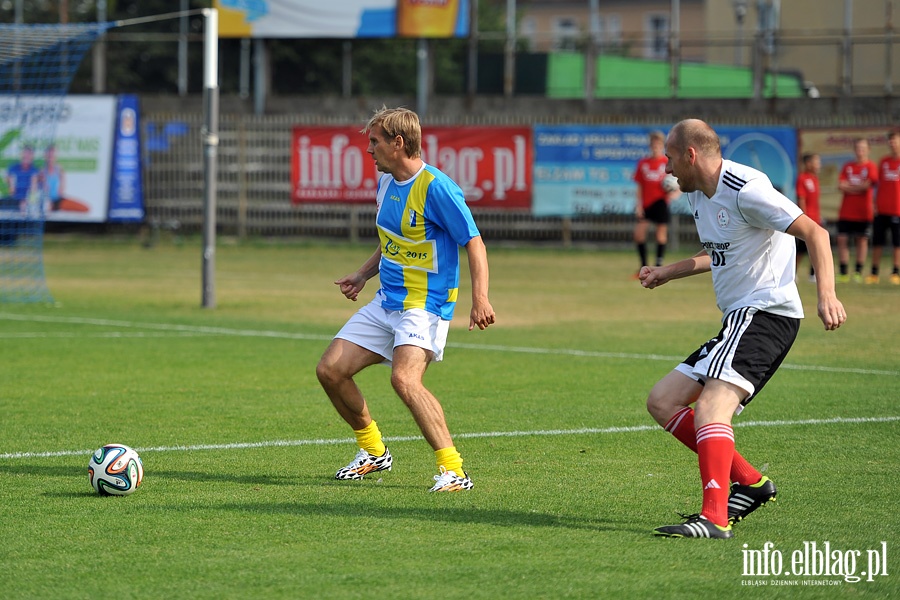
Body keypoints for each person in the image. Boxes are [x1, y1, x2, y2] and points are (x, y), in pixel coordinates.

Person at [639, 119, 845, 539]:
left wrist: (827, 295)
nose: (667, 168)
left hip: (766, 314)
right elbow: (717, 251)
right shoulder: (699, 194)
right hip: (740, 317)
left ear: (691, 155)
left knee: (710, 408)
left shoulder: (745, 188)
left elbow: (815, 232)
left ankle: (714, 517)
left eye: (671, 158)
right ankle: (750, 483)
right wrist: (667, 272)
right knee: (662, 401)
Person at [315, 106, 496, 493]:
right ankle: (373, 452)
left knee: (405, 380)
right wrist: (362, 275)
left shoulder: (437, 187)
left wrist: (479, 297)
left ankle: (454, 470)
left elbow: (474, 242)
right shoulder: (385, 183)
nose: (369, 150)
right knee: (330, 370)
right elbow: (393, 243)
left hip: (426, 303)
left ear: (399, 143)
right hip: (387, 301)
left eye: (375, 141)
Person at [632, 131, 677, 275]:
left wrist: (676, 193)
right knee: (639, 234)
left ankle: (658, 265)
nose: (655, 147)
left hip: (661, 202)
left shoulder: (666, 162)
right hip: (646, 204)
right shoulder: (643, 163)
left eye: (658, 144)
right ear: (650, 146)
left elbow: (678, 181)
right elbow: (639, 185)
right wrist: (639, 204)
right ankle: (643, 267)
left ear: (662, 146)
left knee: (660, 235)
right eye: (653, 144)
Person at [836, 138, 878, 283]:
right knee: (842, 239)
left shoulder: (871, 166)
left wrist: (851, 188)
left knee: (862, 240)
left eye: (863, 148)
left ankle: (858, 271)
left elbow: (867, 186)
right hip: (846, 210)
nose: (860, 151)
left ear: (868, 150)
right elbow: (841, 185)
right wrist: (857, 188)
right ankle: (843, 272)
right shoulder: (848, 166)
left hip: (863, 211)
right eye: (858, 148)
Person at [866, 128, 900, 285]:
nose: (892, 143)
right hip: (882, 209)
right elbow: (877, 186)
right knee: (877, 242)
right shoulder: (884, 162)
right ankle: (874, 273)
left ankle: (895, 272)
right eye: (890, 141)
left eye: (895, 140)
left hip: (897, 210)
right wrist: (875, 203)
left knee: (897, 243)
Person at [795, 153, 822, 282]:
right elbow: (802, 199)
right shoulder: (802, 178)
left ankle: (813, 274)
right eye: (816, 162)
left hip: (816, 219)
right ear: (808, 164)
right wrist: (804, 217)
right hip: (807, 219)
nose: (818, 165)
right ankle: (792, 273)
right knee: (801, 249)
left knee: (816, 247)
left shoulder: (815, 179)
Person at [3, 144, 39, 212]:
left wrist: (28, 201)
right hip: (13, 200)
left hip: (28, 202)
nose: (26, 156)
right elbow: (11, 190)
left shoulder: (34, 170)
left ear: (32, 157)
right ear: (21, 155)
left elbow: (33, 190)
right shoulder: (13, 168)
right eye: (25, 154)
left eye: (29, 154)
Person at [39, 144, 65, 213]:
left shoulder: (59, 169)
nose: (51, 158)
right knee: (47, 207)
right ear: (45, 156)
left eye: (53, 156)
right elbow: (41, 188)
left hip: (58, 200)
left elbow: (62, 186)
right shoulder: (42, 170)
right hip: (46, 200)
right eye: (49, 156)